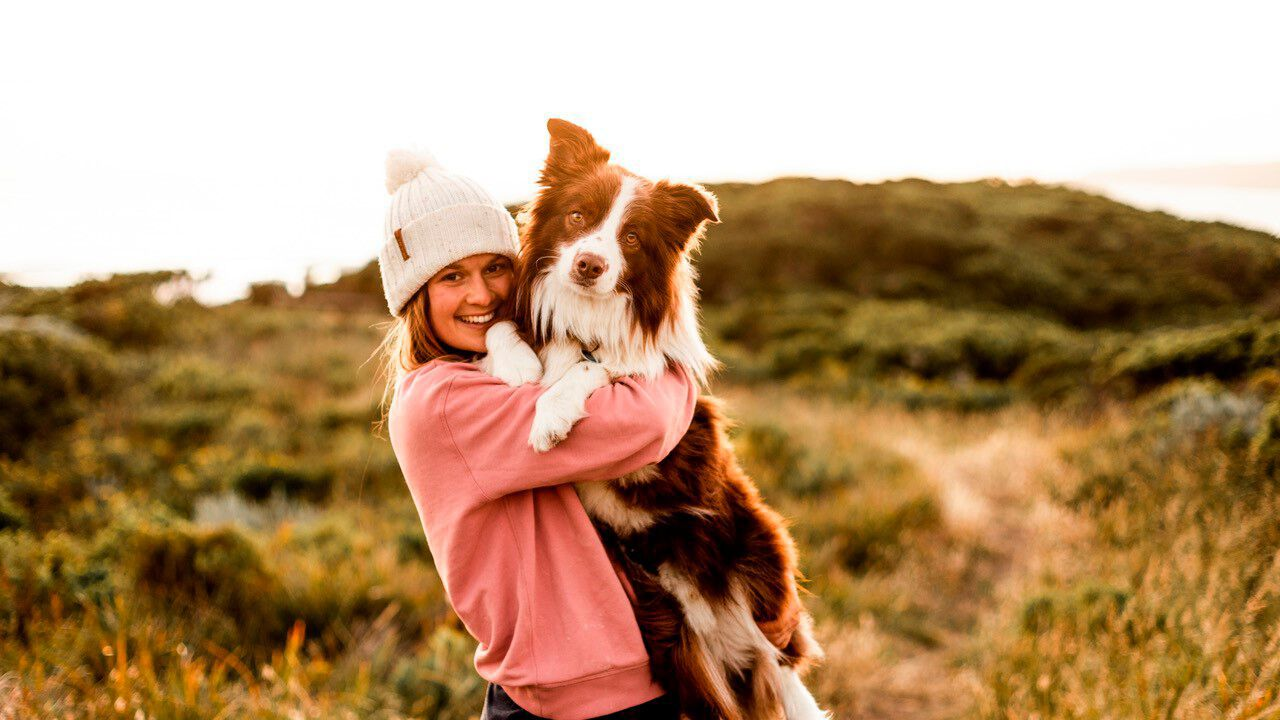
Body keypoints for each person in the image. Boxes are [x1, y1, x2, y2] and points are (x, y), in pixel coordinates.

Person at [376, 149, 696, 720]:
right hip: (570, 695)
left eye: (495, 268)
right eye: (452, 276)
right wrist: (678, 371)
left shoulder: (520, 354)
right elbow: (640, 423)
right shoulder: (441, 401)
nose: (482, 296)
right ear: (414, 293)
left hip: (633, 670)